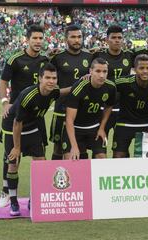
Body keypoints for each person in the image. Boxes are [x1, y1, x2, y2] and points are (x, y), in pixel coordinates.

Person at [2, 63, 70, 216]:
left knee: (41, 162)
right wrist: (17, 147)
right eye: (47, 78)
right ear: (40, 78)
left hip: (32, 126)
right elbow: (17, 122)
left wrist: (84, 81)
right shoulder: (28, 96)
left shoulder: (53, 92)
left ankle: (34, 199)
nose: (51, 81)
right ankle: (13, 202)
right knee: (13, 163)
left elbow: (64, 91)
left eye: (54, 78)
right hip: (12, 127)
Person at [0, 25, 48, 208]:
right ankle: (6, 191)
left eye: (41, 38)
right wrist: (5, 102)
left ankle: (36, 197)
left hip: (35, 116)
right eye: (34, 38)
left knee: (40, 155)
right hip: (16, 113)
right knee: (10, 155)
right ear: (27, 40)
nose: (38, 41)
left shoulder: (45, 60)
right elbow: (3, 82)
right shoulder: (15, 59)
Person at [49, 25, 93, 160]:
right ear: (66, 39)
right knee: (57, 146)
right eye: (73, 37)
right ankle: (55, 177)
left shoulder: (90, 56)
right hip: (61, 107)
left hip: (82, 108)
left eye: (79, 37)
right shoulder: (57, 58)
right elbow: (50, 82)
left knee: (81, 145)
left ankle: (82, 178)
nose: (76, 40)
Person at [112, 54, 148, 158]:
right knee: (118, 157)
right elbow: (105, 85)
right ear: (135, 69)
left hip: (147, 124)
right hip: (125, 123)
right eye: (141, 68)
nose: (145, 71)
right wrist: (89, 77)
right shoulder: (124, 82)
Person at [65, 58, 116, 160]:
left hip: (94, 128)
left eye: (104, 71)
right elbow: (69, 119)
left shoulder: (111, 87)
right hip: (76, 128)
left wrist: (102, 128)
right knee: (71, 159)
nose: (101, 75)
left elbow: (109, 106)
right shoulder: (79, 88)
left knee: (102, 158)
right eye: (98, 71)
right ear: (90, 71)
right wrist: (74, 147)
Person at [93, 25, 134, 134]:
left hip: (123, 107)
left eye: (119, 38)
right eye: (114, 37)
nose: (117, 40)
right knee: (101, 142)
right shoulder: (98, 55)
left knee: (121, 146)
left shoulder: (129, 55)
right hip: (103, 105)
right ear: (107, 40)